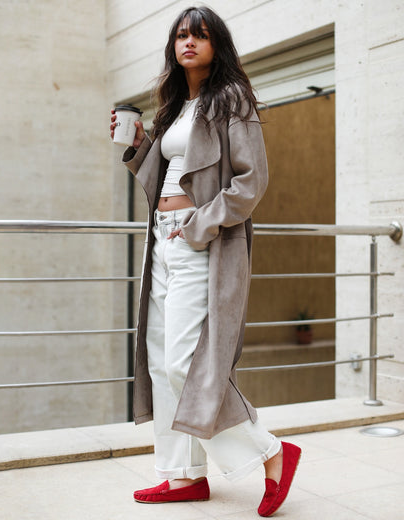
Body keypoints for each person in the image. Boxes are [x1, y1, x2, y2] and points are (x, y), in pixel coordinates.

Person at [110, 6, 301, 517]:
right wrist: (136, 146)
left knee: (184, 362)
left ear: (217, 44)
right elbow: (164, 176)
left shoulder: (230, 99)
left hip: (202, 241)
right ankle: (182, 476)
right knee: (158, 355)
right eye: (180, 35)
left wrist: (199, 226)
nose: (188, 42)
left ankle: (272, 453)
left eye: (199, 35)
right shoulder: (176, 104)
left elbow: (249, 182)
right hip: (163, 239)